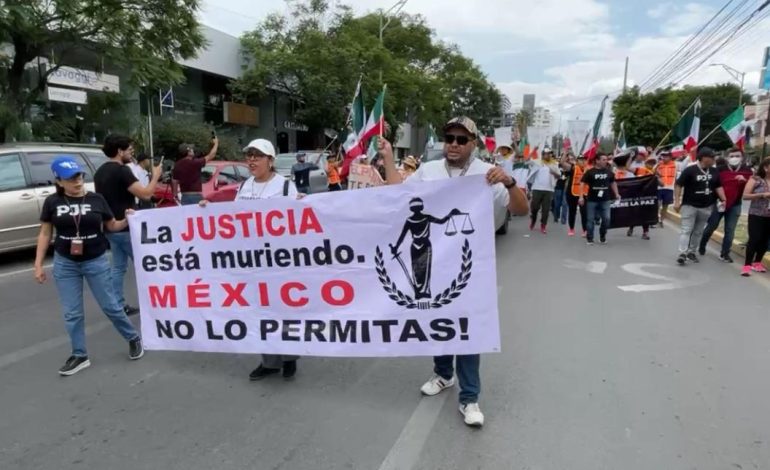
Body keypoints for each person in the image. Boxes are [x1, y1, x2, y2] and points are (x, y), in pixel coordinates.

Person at [380, 116, 528, 428]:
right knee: (438, 321)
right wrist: (390, 158)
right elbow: (396, 193)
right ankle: (443, 374)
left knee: (468, 331)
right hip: (433, 260)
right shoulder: (429, 171)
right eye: (450, 138)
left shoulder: (486, 174)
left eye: (462, 140)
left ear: (474, 143)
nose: (454, 145)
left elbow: (521, 209)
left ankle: (470, 397)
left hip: (470, 268)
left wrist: (509, 182)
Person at [201, 139, 302, 380]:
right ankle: (269, 362)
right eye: (249, 156)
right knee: (260, 312)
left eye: (258, 156)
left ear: (271, 160)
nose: (252, 161)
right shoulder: (245, 186)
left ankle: (289, 358)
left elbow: (298, 223)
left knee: (283, 311)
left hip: (280, 261)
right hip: (251, 261)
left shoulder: (286, 187)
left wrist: (301, 206)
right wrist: (208, 209)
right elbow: (233, 218)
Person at [34, 156, 144, 376]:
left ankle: (133, 338)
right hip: (65, 263)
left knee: (111, 306)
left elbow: (111, 225)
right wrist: (38, 264)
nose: (77, 181)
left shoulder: (96, 199)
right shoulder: (52, 202)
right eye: (71, 178)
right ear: (59, 181)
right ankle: (79, 354)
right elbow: (45, 232)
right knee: (72, 313)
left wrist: (126, 220)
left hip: (95, 260)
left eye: (80, 176)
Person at [94, 135, 161, 316]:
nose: (132, 152)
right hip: (126, 227)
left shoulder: (99, 172)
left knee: (118, 267)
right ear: (119, 151)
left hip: (110, 227)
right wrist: (155, 176)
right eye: (129, 149)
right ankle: (160, 303)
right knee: (149, 265)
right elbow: (146, 194)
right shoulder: (122, 171)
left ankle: (118, 304)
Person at [698, 148, 753, 262]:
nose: (734, 158)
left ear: (742, 158)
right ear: (727, 158)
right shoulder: (719, 170)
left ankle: (724, 253)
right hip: (719, 203)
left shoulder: (747, 171)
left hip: (735, 204)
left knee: (730, 230)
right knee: (711, 226)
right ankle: (702, 244)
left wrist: (745, 181)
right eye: (732, 156)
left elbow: (750, 188)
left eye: (737, 156)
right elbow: (713, 184)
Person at [674, 147, 727, 266]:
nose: (714, 159)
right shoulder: (690, 170)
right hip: (690, 205)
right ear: (703, 158)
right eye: (711, 157)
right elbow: (678, 185)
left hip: (706, 206)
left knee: (698, 231)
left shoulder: (714, 171)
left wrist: (723, 199)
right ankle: (682, 253)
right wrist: (677, 201)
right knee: (686, 230)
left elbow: (718, 186)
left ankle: (691, 252)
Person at [579, 152, 620, 245]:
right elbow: (582, 184)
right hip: (592, 200)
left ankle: (602, 235)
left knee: (607, 219)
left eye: (606, 159)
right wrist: (581, 196)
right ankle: (590, 238)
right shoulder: (590, 172)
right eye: (603, 159)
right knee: (590, 220)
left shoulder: (609, 173)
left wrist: (617, 193)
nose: (606, 161)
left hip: (605, 200)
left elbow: (613, 183)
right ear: (597, 161)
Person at [740, 157, 770, 276]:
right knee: (755, 239)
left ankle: (757, 262)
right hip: (756, 214)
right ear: (766, 167)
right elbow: (745, 196)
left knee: (765, 240)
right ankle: (747, 265)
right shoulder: (755, 179)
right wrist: (762, 195)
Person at [172, 135, 219, 205]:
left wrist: (175, 195)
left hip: (184, 197)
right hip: (196, 197)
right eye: (191, 149)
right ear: (188, 152)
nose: (193, 150)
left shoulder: (177, 165)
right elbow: (211, 155)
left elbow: (174, 181)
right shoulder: (195, 163)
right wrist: (216, 144)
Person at [527, 147, 560, 234]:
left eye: (550, 153)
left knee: (546, 210)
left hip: (548, 190)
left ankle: (543, 225)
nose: (548, 155)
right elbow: (526, 160)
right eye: (547, 153)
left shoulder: (554, 164)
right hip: (537, 188)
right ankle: (533, 220)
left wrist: (554, 173)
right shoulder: (537, 162)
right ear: (543, 155)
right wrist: (533, 150)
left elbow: (559, 176)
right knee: (534, 208)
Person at [565, 154, 589, 237]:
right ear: (577, 160)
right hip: (572, 193)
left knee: (584, 212)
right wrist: (565, 152)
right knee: (572, 211)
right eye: (580, 159)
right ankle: (571, 228)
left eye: (584, 159)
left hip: (584, 194)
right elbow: (562, 163)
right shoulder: (573, 168)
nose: (582, 161)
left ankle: (585, 230)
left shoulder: (588, 169)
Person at [655, 150, 677, 227]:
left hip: (670, 188)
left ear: (670, 157)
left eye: (666, 156)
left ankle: (661, 221)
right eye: (663, 156)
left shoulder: (676, 164)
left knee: (665, 206)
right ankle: (656, 219)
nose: (664, 158)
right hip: (659, 187)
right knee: (657, 204)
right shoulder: (658, 165)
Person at [551, 153, 570, 225]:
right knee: (557, 204)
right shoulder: (557, 166)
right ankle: (556, 216)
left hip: (566, 188)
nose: (565, 159)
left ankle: (563, 220)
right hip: (558, 187)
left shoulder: (569, 167)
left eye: (566, 158)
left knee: (565, 204)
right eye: (564, 157)